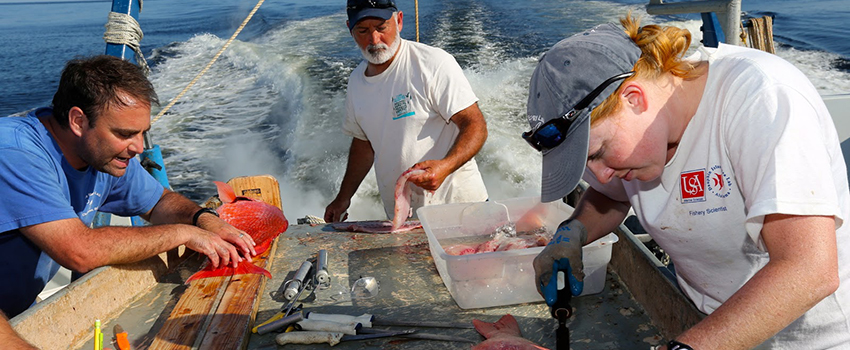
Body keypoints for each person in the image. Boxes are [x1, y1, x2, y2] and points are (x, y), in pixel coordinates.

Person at [526, 16, 850, 349]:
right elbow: (611, 196)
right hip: (708, 328)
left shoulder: (760, 98)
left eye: (599, 153)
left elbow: (808, 269)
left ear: (634, 98)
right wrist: (571, 235)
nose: (601, 174)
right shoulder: (636, 145)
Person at [0, 55, 258, 318]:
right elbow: (79, 251)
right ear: (78, 121)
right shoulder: (14, 153)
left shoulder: (104, 155)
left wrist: (203, 219)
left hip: (19, 313)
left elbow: (159, 202)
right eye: (124, 134)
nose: (137, 147)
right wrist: (183, 233)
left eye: (141, 133)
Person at [324, 0, 489, 222]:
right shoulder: (356, 81)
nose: (374, 40)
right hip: (403, 219)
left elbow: (475, 124)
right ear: (350, 30)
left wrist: (444, 167)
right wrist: (343, 198)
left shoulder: (433, 63)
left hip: (461, 210)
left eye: (381, 28)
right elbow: (364, 144)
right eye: (363, 31)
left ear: (399, 21)